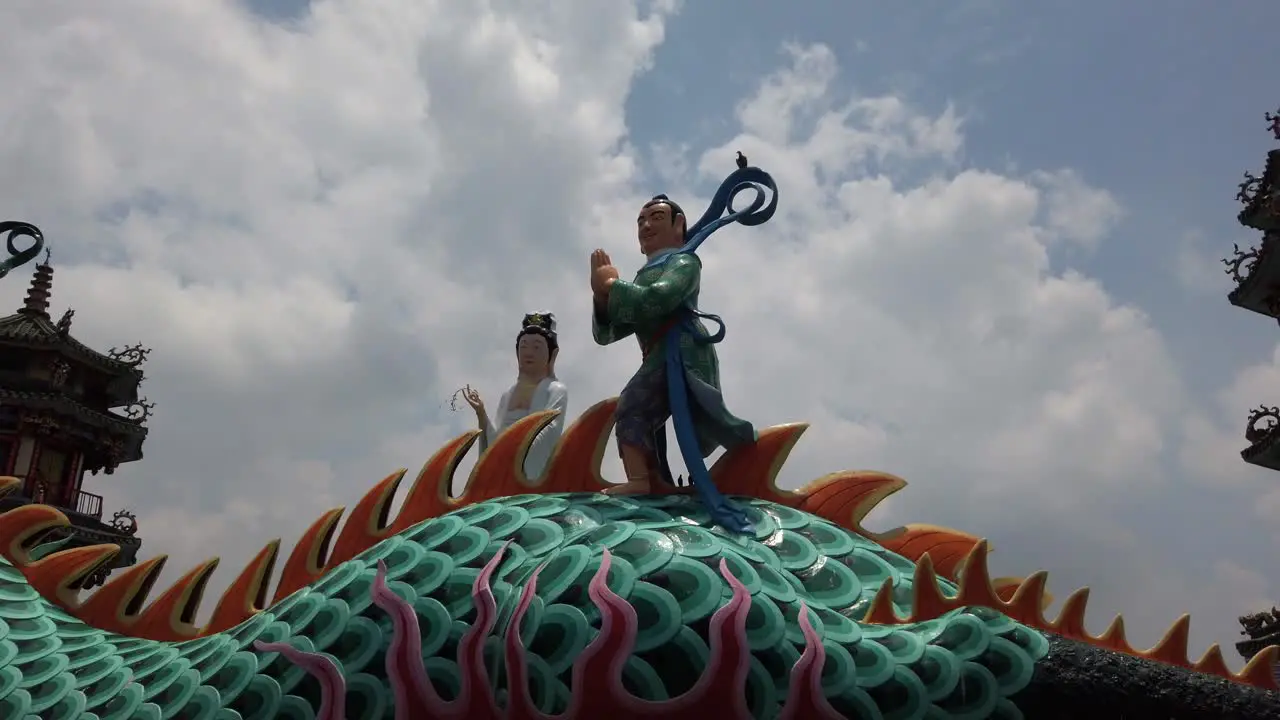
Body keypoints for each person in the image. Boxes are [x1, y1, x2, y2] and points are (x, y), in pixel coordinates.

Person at [589, 195, 757, 499]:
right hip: (657, 353)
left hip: (682, 351)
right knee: (638, 411)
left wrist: (613, 286)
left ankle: (641, 479)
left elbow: (659, 298)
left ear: (678, 225)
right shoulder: (643, 274)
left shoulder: (684, 262)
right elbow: (609, 333)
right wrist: (601, 299)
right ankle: (653, 478)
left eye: (656, 217)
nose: (646, 225)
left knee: (633, 403)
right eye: (640, 221)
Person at [462, 312, 569, 479]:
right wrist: (481, 413)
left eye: (537, 347)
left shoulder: (555, 390)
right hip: (502, 471)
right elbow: (495, 440)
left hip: (530, 474)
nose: (529, 353)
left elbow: (549, 433)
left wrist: (514, 451)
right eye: (524, 346)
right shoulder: (508, 395)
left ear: (552, 354)